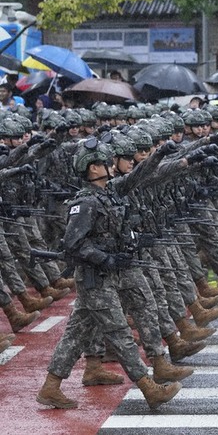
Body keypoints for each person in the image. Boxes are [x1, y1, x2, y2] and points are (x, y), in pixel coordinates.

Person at [36, 138, 182, 410]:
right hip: (95, 277)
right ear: (92, 168)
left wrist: (159, 155)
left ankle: (51, 386)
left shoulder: (110, 191)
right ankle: (149, 388)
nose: (111, 166)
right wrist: (106, 258)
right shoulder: (85, 202)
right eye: (105, 162)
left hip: (113, 271)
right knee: (118, 331)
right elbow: (73, 244)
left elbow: (138, 176)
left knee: (79, 332)